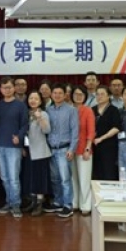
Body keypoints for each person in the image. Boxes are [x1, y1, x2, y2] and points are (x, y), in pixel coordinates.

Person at [0, 77, 28, 219]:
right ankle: (8, 202)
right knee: (4, 177)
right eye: (4, 88)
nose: (7, 90)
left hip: (14, 146)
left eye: (9, 87)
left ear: (14, 88)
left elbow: (25, 124)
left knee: (14, 178)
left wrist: (19, 137)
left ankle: (16, 204)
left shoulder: (20, 106)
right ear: (0, 90)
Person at [45, 83, 79, 218]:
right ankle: (58, 202)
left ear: (65, 95)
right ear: (51, 94)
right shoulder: (48, 110)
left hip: (64, 149)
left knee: (65, 179)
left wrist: (72, 149)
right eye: (55, 93)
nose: (57, 95)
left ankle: (68, 205)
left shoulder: (71, 110)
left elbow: (75, 131)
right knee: (54, 178)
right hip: (51, 149)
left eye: (60, 93)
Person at [25, 90, 52, 217]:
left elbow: (47, 130)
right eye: (31, 98)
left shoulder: (43, 113)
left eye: (36, 98)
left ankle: (40, 203)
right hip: (29, 150)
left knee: (40, 178)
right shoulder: (26, 114)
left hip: (40, 151)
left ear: (40, 101)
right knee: (31, 177)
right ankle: (33, 201)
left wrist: (40, 118)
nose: (33, 101)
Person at [71, 85, 95, 216]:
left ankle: (85, 205)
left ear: (85, 96)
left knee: (84, 179)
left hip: (83, 149)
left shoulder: (88, 110)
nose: (78, 97)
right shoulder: (69, 110)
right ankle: (74, 203)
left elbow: (91, 131)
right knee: (73, 179)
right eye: (76, 94)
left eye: (81, 94)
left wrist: (88, 148)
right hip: (70, 149)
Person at [92, 85, 121, 181]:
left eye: (102, 94)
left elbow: (116, 128)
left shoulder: (113, 110)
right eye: (97, 94)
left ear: (108, 96)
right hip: (94, 146)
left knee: (108, 172)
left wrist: (101, 138)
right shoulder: (92, 109)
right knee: (96, 173)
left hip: (109, 146)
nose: (99, 96)